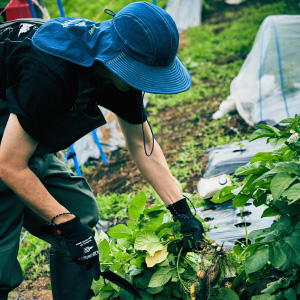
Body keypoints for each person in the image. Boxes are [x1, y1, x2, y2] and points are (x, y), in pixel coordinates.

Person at [0, 2, 204, 299]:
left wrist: (181, 210)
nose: (144, 82)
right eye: (141, 73)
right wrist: (62, 222)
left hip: (20, 131)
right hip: (7, 138)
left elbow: (141, 145)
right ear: (116, 57)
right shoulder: (51, 72)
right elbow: (9, 165)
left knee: (80, 212)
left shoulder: (118, 70)